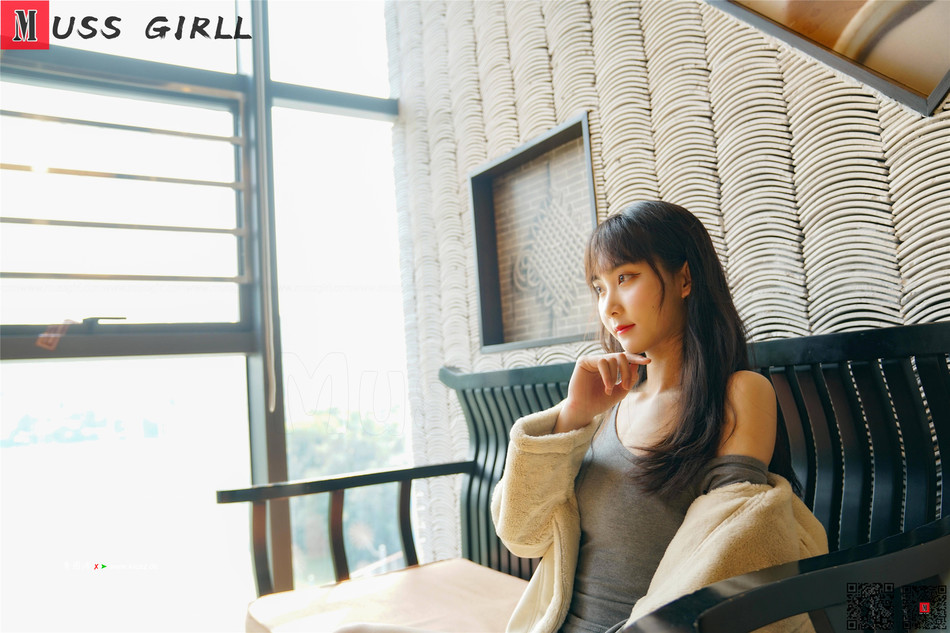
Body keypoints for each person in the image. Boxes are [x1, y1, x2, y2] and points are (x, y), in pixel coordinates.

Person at [490, 201, 827, 633]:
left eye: (625, 278)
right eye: (599, 288)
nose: (609, 306)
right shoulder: (606, 407)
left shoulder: (738, 393)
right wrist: (572, 416)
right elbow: (522, 535)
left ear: (684, 279)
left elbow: (727, 550)